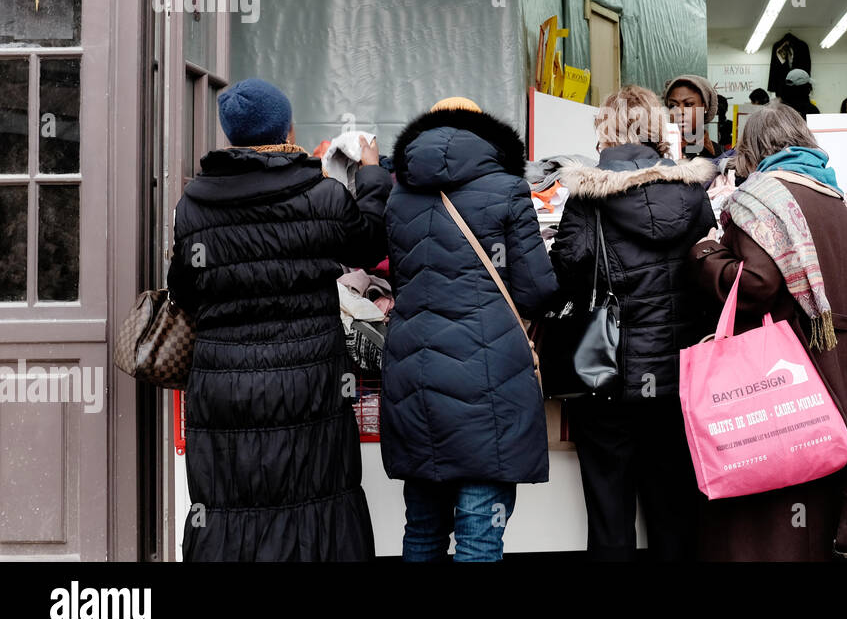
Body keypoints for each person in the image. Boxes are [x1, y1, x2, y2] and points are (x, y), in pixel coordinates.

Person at [166, 78, 389, 561]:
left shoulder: (194, 205)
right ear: (287, 129)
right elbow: (371, 244)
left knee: (231, 507)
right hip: (309, 385)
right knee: (315, 502)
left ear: (230, 137)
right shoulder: (322, 196)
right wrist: (371, 174)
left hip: (223, 391)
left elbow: (183, 291)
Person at [380, 97, 558, 562]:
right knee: (480, 536)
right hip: (489, 379)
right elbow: (537, 289)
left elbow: (404, 277)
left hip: (413, 375)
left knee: (421, 529)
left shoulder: (398, 195)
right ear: (486, 135)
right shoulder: (507, 188)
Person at [690, 104, 847, 561]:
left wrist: (708, 254)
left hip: (782, 365)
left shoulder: (762, 196)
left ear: (753, 148)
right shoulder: (830, 193)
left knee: (775, 494)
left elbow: (758, 283)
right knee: (824, 480)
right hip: (834, 358)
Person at [550, 85, 717, 560]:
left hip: (609, 376)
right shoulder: (692, 191)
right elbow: (708, 264)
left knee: (609, 514)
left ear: (607, 128)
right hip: (675, 376)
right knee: (673, 512)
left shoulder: (587, 196)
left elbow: (565, 270)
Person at [664, 74, 720, 158]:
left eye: (689, 104)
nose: (680, 111)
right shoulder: (658, 154)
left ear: (704, 107)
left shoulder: (721, 155)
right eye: (673, 105)